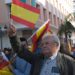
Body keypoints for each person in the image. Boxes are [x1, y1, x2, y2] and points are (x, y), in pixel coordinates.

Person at [7, 25, 75, 75]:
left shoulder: (69, 62)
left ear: (56, 45)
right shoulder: (37, 58)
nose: (44, 46)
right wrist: (13, 37)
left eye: (47, 43)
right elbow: (20, 50)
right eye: (42, 44)